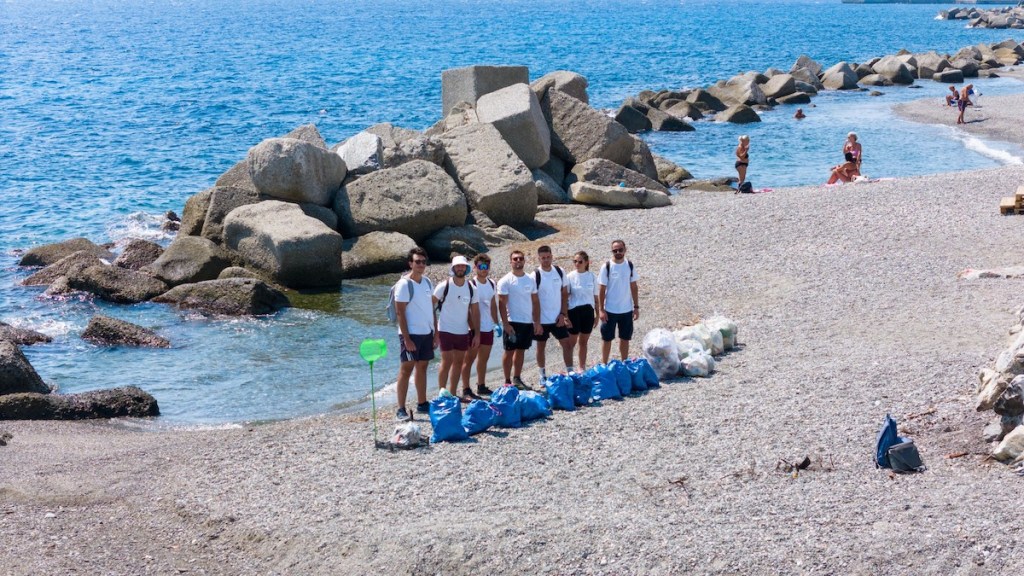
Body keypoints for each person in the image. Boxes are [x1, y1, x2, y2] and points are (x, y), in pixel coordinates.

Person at [393, 247, 436, 421]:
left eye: (423, 262)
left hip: (427, 332)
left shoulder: (427, 282)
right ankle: (401, 408)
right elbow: (400, 313)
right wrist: (407, 338)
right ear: (410, 263)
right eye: (417, 261)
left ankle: (422, 402)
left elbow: (431, 308)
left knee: (423, 367)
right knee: (406, 369)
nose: (421, 265)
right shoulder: (403, 284)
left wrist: (436, 332)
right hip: (410, 334)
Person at [432, 255, 480, 401]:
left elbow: (475, 312)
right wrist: (433, 329)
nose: (460, 268)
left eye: (463, 266)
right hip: (445, 329)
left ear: (467, 268)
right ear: (453, 268)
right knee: (446, 361)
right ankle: (442, 394)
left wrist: (477, 333)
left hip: (462, 331)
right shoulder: (444, 286)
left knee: (458, 363)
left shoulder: (472, 288)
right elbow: (430, 305)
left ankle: (452, 394)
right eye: (457, 266)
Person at [497, 250, 541, 390]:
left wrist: (537, 322)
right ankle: (507, 380)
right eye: (515, 259)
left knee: (521, 350)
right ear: (511, 262)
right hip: (512, 321)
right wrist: (505, 323)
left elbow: (535, 301)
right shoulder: (505, 280)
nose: (518, 261)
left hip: (527, 321)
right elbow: (501, 304)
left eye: (520, 258)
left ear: (524, 261)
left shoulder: (530, 279)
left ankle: (517, 378)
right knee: (509, 351)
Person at [532, 245, 574, 384]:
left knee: (567, 344)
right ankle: (542, 374)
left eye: (548, 257)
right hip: (542, 319)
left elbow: (564, 294)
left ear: (551, 256)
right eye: (543, 258)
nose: (546, 260)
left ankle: (570, 371)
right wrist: (536, 322)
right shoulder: (535, 275)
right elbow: (533, 299)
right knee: (541, 346)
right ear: (538, 258)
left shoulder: (559, 271)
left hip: (557, 317)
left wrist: (563, 314)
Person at [460, 254, 499, 399]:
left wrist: (497, 323)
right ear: (475, 267)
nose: (484, 269)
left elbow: (493, 304)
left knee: (484, 358)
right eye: (481, 266)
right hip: (474, 329)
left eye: (486, 266)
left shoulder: (492, 284)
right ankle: (465, 389)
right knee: (469, 359)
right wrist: (473, 329)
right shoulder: (470, 285)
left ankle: (481, 386)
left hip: (488, 327)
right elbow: (467, 309)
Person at [598, 240, 639, 364]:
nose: (618, 252)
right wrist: (601, 309)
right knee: (607, 339)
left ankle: (624, 363)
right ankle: (604, 364)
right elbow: (601, 289)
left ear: (625, 249)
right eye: (615, 250)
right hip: (610, 310)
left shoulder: (630, 266)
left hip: (626, 310)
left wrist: (636, 307)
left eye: (620, 250)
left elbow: (634, 286)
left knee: (625, 338)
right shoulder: (607, 266)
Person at [566, 251, 598, 371]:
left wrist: (598, 315)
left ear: (586, 262)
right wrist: (565, 316)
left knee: (583, 342)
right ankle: (570, 368)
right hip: (574, 311)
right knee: (570, 343)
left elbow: (596, 298)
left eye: (580, 261)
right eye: (575, 261)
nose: (577, 264)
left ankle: (582, 367)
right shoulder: (570, 277)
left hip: (588, 312)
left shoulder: (592, 277)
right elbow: (565, 297)